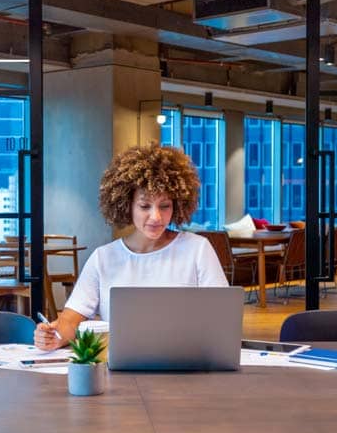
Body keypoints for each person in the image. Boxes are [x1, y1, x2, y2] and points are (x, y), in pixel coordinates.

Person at [34, 143, 228, 351]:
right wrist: (54, 335)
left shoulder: (198, 250)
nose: (156, 217)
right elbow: (71, 319)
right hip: (122, 368)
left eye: (165, 206)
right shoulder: (103, 258)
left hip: (188, 361)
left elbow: (223, 316)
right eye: (145, 206)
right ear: (127, 204)